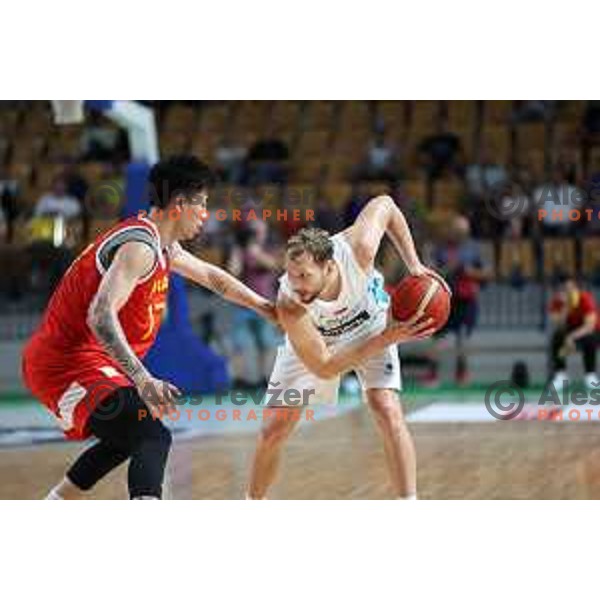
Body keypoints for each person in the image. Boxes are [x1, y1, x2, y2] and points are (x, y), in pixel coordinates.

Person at [22, 155, 276, 500]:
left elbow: (214, 278)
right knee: (151, 435)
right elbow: (100, 315)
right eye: (201, 204)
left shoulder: (164, 245)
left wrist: (267, 308)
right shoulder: (138, 247)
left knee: (124, 438)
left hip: (86, 361)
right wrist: (143, 380)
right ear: (179, 204)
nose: (205, 214)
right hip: (64, 363)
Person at [247, 195, 443, 500]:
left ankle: (409, 504)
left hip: (370, 323)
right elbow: (324, 367)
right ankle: (251, 504)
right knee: (274, 429)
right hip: (317, 337)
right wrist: (388, 340)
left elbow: (387, 205)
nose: (296, 284)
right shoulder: (291, 303)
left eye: (304, 276)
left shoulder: (359, 249)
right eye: (291, 273)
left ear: (328, 266)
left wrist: (414, 264)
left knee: (387, 410)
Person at [432, 215, 491, 385]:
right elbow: (434, 271)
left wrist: (469, 271)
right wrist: (448, 268)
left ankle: (462, 373)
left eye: (462, 231)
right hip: (445, 298)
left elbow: (487, 273)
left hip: (467, 299)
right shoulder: (441, 249)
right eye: (456, 230)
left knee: (464, 338)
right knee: (438, 338)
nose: (458, 234)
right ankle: (433, 373)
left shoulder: (474, 249)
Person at [227, 220, 281, 388]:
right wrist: (237, 250)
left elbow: (275, 265)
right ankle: (246, 380)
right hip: (243, 304)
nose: (257, 234)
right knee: (242, 344)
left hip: (265, 303)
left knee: (267, 342)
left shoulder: (270, 247)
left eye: (259, 230)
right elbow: (232, 272)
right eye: (253, 231)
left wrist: (256, 253)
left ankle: (268, 379)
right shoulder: (241, 249)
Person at [548, 276, 599, 392]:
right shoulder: (557, 302)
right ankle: (561, 375)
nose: (568, 292)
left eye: (571, 288)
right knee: (557, 337)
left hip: (589, 331)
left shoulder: (585, 298)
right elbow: (559, 324)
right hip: (570, 330)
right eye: (564, 289)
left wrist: (571, 337)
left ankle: (590, 375)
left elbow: (589, 326)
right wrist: (566, 307)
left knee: (590, 339)